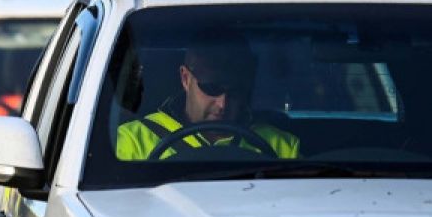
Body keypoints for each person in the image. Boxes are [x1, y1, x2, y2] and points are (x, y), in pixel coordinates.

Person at [116, 28, 300, 160]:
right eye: (212, 88)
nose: (223, 104)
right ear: (185, 78)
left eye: (235, 92)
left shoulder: (282, 147)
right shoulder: (131, 141)